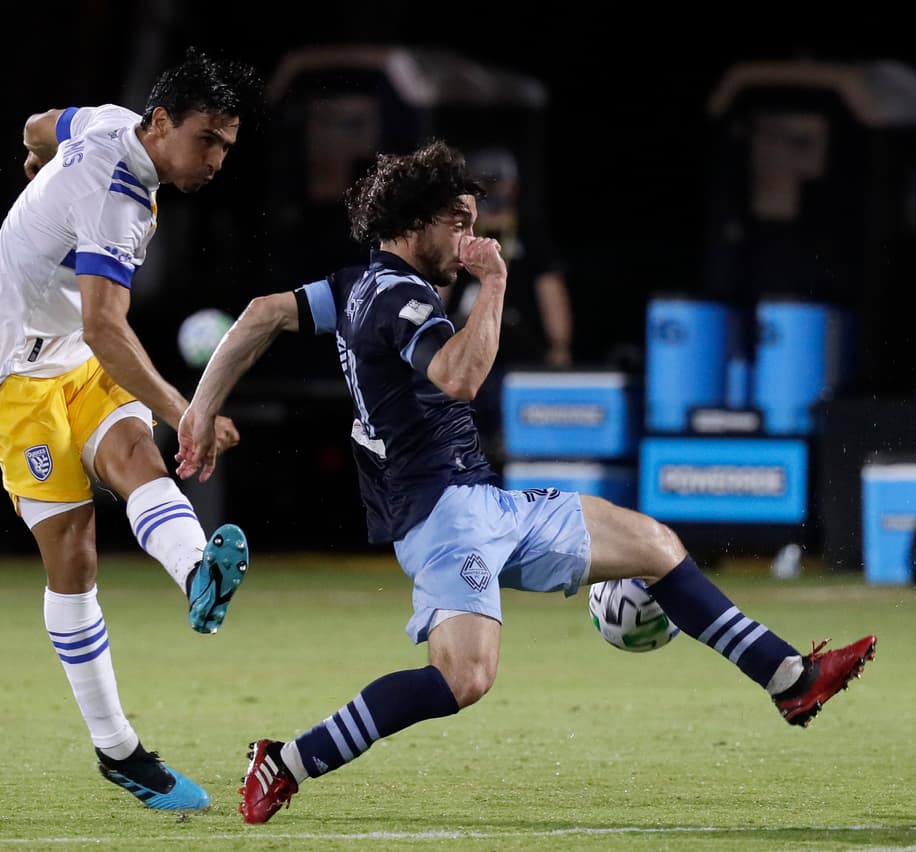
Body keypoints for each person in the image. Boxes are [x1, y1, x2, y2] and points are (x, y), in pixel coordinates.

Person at [174, 140, 878, 824]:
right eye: (462, 222)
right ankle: (287, 762)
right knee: (465, 680)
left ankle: (789, 680)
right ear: (417, 221)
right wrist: (498, 283)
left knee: (655, 544)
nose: (473, 236)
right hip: (441, 516)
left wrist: (198, 410)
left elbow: (264, 312)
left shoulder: (356, 285)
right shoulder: (398, 298)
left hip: (484, 501)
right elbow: (460, 376)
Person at [0, 48, 262, 812]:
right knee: (76, 552)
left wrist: (33, 155)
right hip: (9, 381)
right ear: (160, 124)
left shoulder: (107, 122)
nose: (218, 159)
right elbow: (104, 325)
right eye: (207, 141)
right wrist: (186, 411)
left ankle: (198, 574)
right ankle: (118, 750)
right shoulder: (116, 199)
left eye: (228, 145)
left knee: (134, 455)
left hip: (69, 358)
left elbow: (39, 125)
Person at [437, 146, 572, 458]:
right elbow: (439, 287)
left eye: (498, 184)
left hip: (519, 344)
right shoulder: (459, 232)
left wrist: (560, 345)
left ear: (514, 186)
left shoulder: (529, 232)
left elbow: (551, 290)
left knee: (513, 420)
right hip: (467, 336)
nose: (493, 192)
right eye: (485, 185)